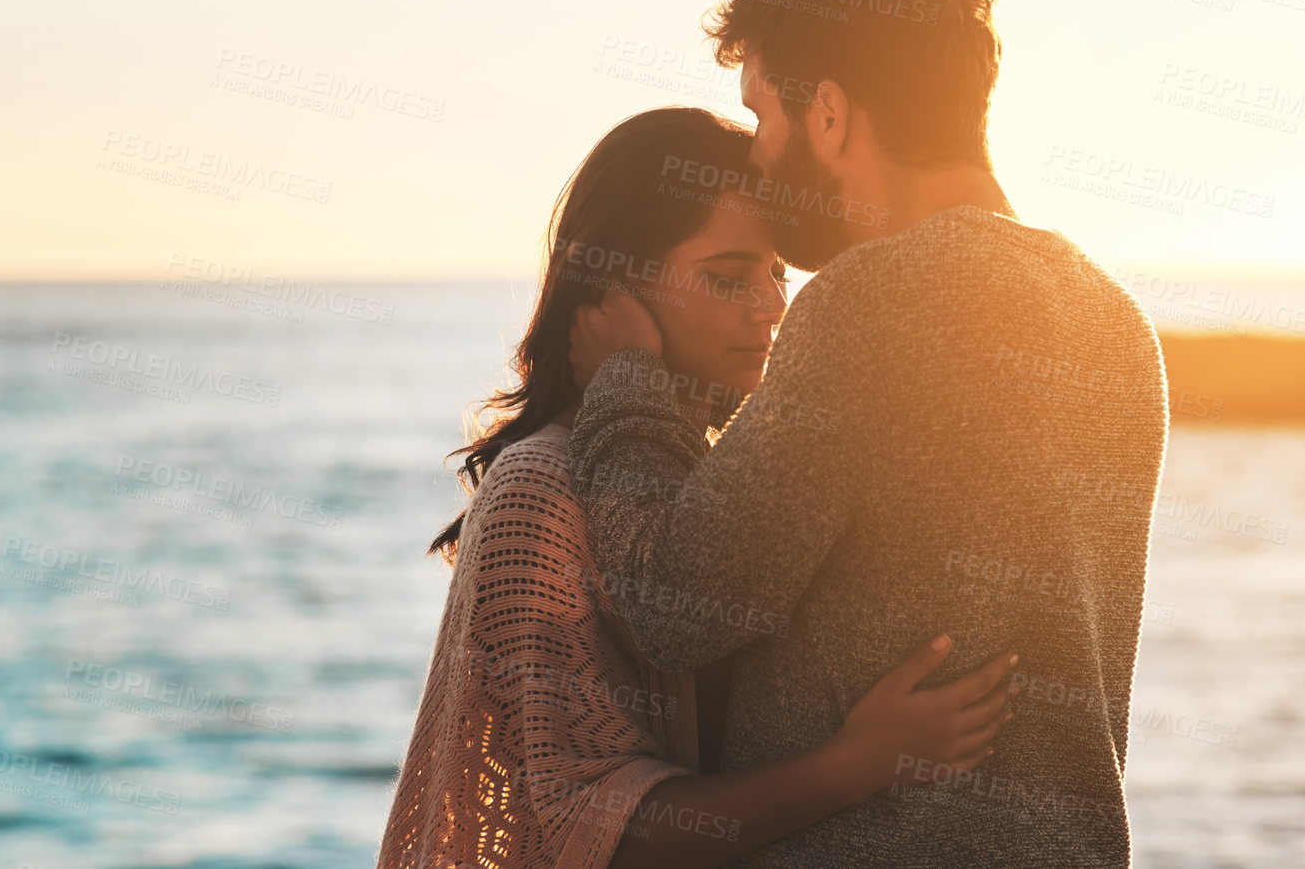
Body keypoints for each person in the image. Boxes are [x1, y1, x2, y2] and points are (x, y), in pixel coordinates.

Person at [567, 0, 1171, 866]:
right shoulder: (1113, 319)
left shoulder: (873, 300)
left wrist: (624, 383)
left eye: (763, 114)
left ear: (832, 116)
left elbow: (669, 604)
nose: (759, 159)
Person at [378, 107, 1017, 869]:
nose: (773, 306)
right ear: (610, 286)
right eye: (727, 277)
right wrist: (855, 764)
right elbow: (592, 830)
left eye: (776, 273)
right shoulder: (540, 492)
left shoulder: (711, 479)